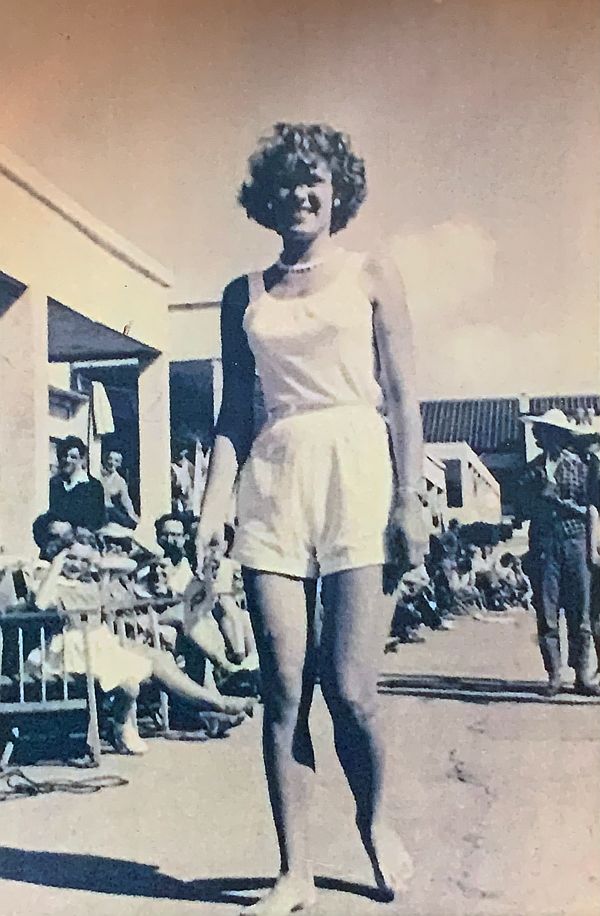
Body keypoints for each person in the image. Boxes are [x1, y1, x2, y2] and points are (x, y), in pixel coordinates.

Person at [196, 122, 427, 915]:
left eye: (316, 179)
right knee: (284, 686)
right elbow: (234, 412)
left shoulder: (369, 272)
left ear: (337, 193)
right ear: (266, 196)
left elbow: (400, 397)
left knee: (351, 688)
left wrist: (410, 497)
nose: (301, 192)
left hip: (359, 470)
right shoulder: (243, 294)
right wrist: (210, 506)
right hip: (274, 479)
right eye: (287, 180)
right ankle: (294, 872)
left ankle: (374, 823)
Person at [28, 540, 254, 754]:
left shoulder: (92, 580)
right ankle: (218, 704)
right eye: (72, 558)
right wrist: (57, 564)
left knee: (161, 658)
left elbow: (139, 560)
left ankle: (210, 710)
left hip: (101, 641)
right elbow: (40, 604)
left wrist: (99, 561)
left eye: (83, 561)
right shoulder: (48, 577)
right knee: (143, 672)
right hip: (72, 648)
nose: (77, 565)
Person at [516, 409, 600, 697]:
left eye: (551, 433)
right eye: (542, 433)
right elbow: (520, 511)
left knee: (580, 614)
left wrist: (559, 500)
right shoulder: (531, 470)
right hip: (543, 544)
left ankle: (582, 675)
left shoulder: (581, 468)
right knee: (547, 613)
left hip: (575, 541)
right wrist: (533, 496)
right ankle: (554, 674)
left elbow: (589, 509)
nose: (545, 438)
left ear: (562, 436)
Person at [49, 436, 106, 532]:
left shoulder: (93, 487)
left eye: (73, 457)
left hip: (82, 541)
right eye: (64, 455)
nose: (67, 460)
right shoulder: (55, 484)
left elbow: (96, 523)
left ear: (82, 460)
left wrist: (70, 530)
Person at [101, 449, 138, 529]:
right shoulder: (99, 476)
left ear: (119, 464)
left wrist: (132, 515)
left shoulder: (120, 481)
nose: (112, 463)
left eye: (116, 461)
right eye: (110, 459)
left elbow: (126, 501)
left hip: (110, 512)